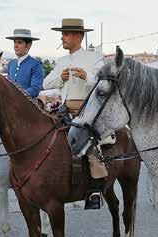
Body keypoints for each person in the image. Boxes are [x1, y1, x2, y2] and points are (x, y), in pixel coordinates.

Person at [44, 18, 105, 210]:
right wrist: (60, 79)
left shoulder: (95, 57)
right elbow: (46, 84)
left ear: (78, 36)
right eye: (62, 34)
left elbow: (103, 82)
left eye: (66, 34)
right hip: (63, 109)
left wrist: (86, 76)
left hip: (87, 110)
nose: (62, 38)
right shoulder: (61, 61)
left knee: (92, 145)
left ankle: (95, 189)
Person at [6, 29, 44, 99]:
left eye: (19, 42)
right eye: (15, 42)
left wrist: (16, 96)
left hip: (28, 107)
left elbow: (35, 89)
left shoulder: (36, 64)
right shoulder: (11, 63)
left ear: (29, 45)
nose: (15, 46)